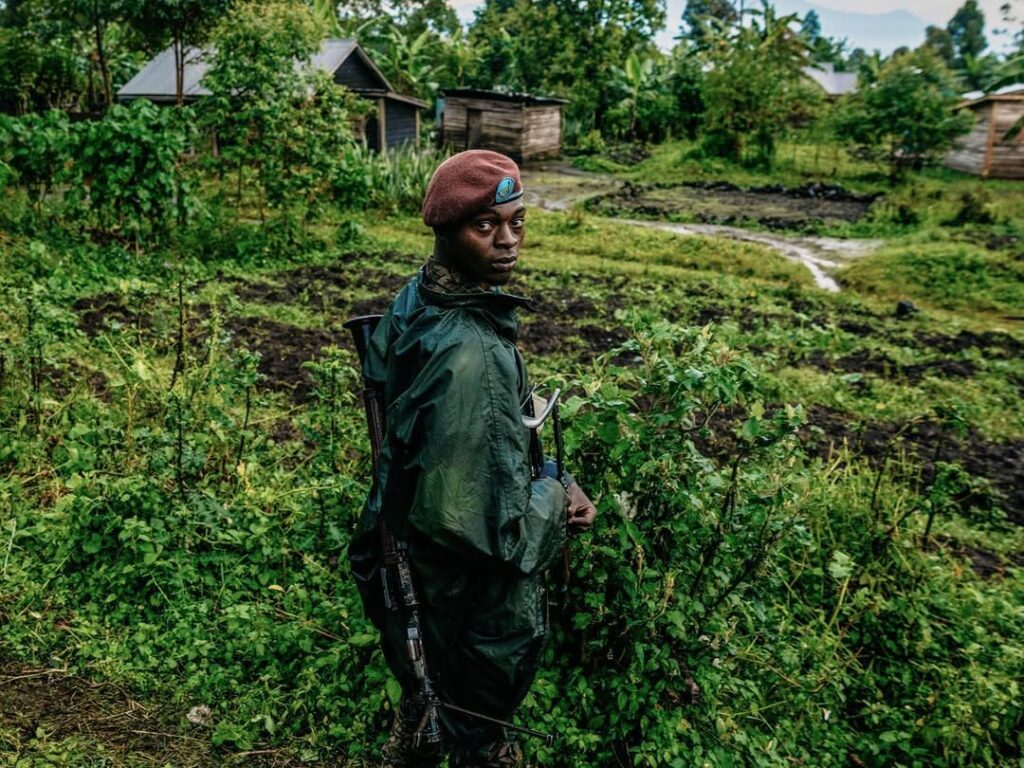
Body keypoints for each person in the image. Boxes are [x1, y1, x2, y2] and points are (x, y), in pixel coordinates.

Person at [349, 150, 597, 768]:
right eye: (484, 226)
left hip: (417, 562)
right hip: (468, 606)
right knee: (473, 733)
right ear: (445, 229)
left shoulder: (423, 296)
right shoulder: (473, 355)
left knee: (432, 710)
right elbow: (503, 536)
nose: (507, 240)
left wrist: (542, 470)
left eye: (516, 222)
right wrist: (556, 493)